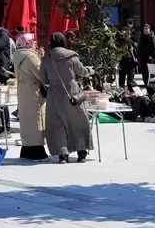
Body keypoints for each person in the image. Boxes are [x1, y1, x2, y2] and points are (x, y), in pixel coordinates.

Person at [41, 32, 94, 163]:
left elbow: (43, 78)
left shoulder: (46, 59)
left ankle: (62, 154)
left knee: (57, 123)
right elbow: (82, 71)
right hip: (71, 91)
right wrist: (90, 70)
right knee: (78, 120)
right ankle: (81, 151)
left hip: (54, 93)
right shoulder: (71, 55)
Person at [13, 33, 47, 160]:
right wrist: (41, 58)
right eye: (33, 42)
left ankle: (26, 148)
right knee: (36, 119)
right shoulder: (31, 56)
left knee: (26, 119)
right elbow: (41, 74)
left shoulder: (17, 55)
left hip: (23, 90)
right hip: (34, 91)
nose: (35, 44)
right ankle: (37, 150)